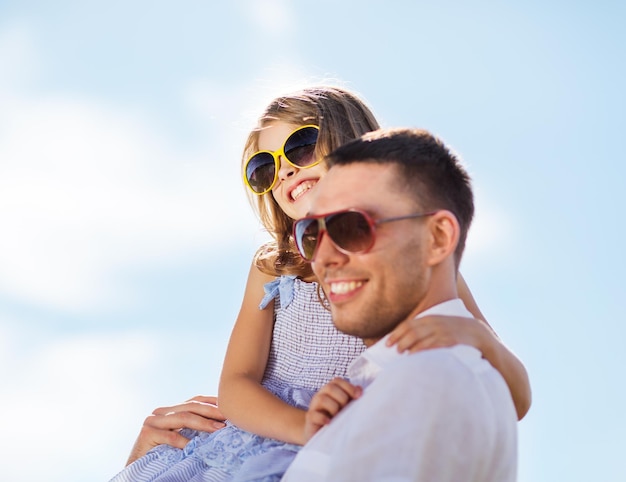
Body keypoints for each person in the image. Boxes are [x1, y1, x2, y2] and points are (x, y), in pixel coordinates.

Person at [111, 87, 529, 481]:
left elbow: (514, 396)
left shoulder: (415, 258)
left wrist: (480, 339)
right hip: (274, 435)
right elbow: (236, 384)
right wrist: (305, 426)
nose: (286, 170)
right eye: (264, 168)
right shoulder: (274, 268)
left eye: (300, 146)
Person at [283, 127, 519, 481]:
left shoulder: (430, 377)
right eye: (312, 234)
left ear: (437, 238)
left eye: (352, 226)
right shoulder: (381, 387)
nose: (323, 258)